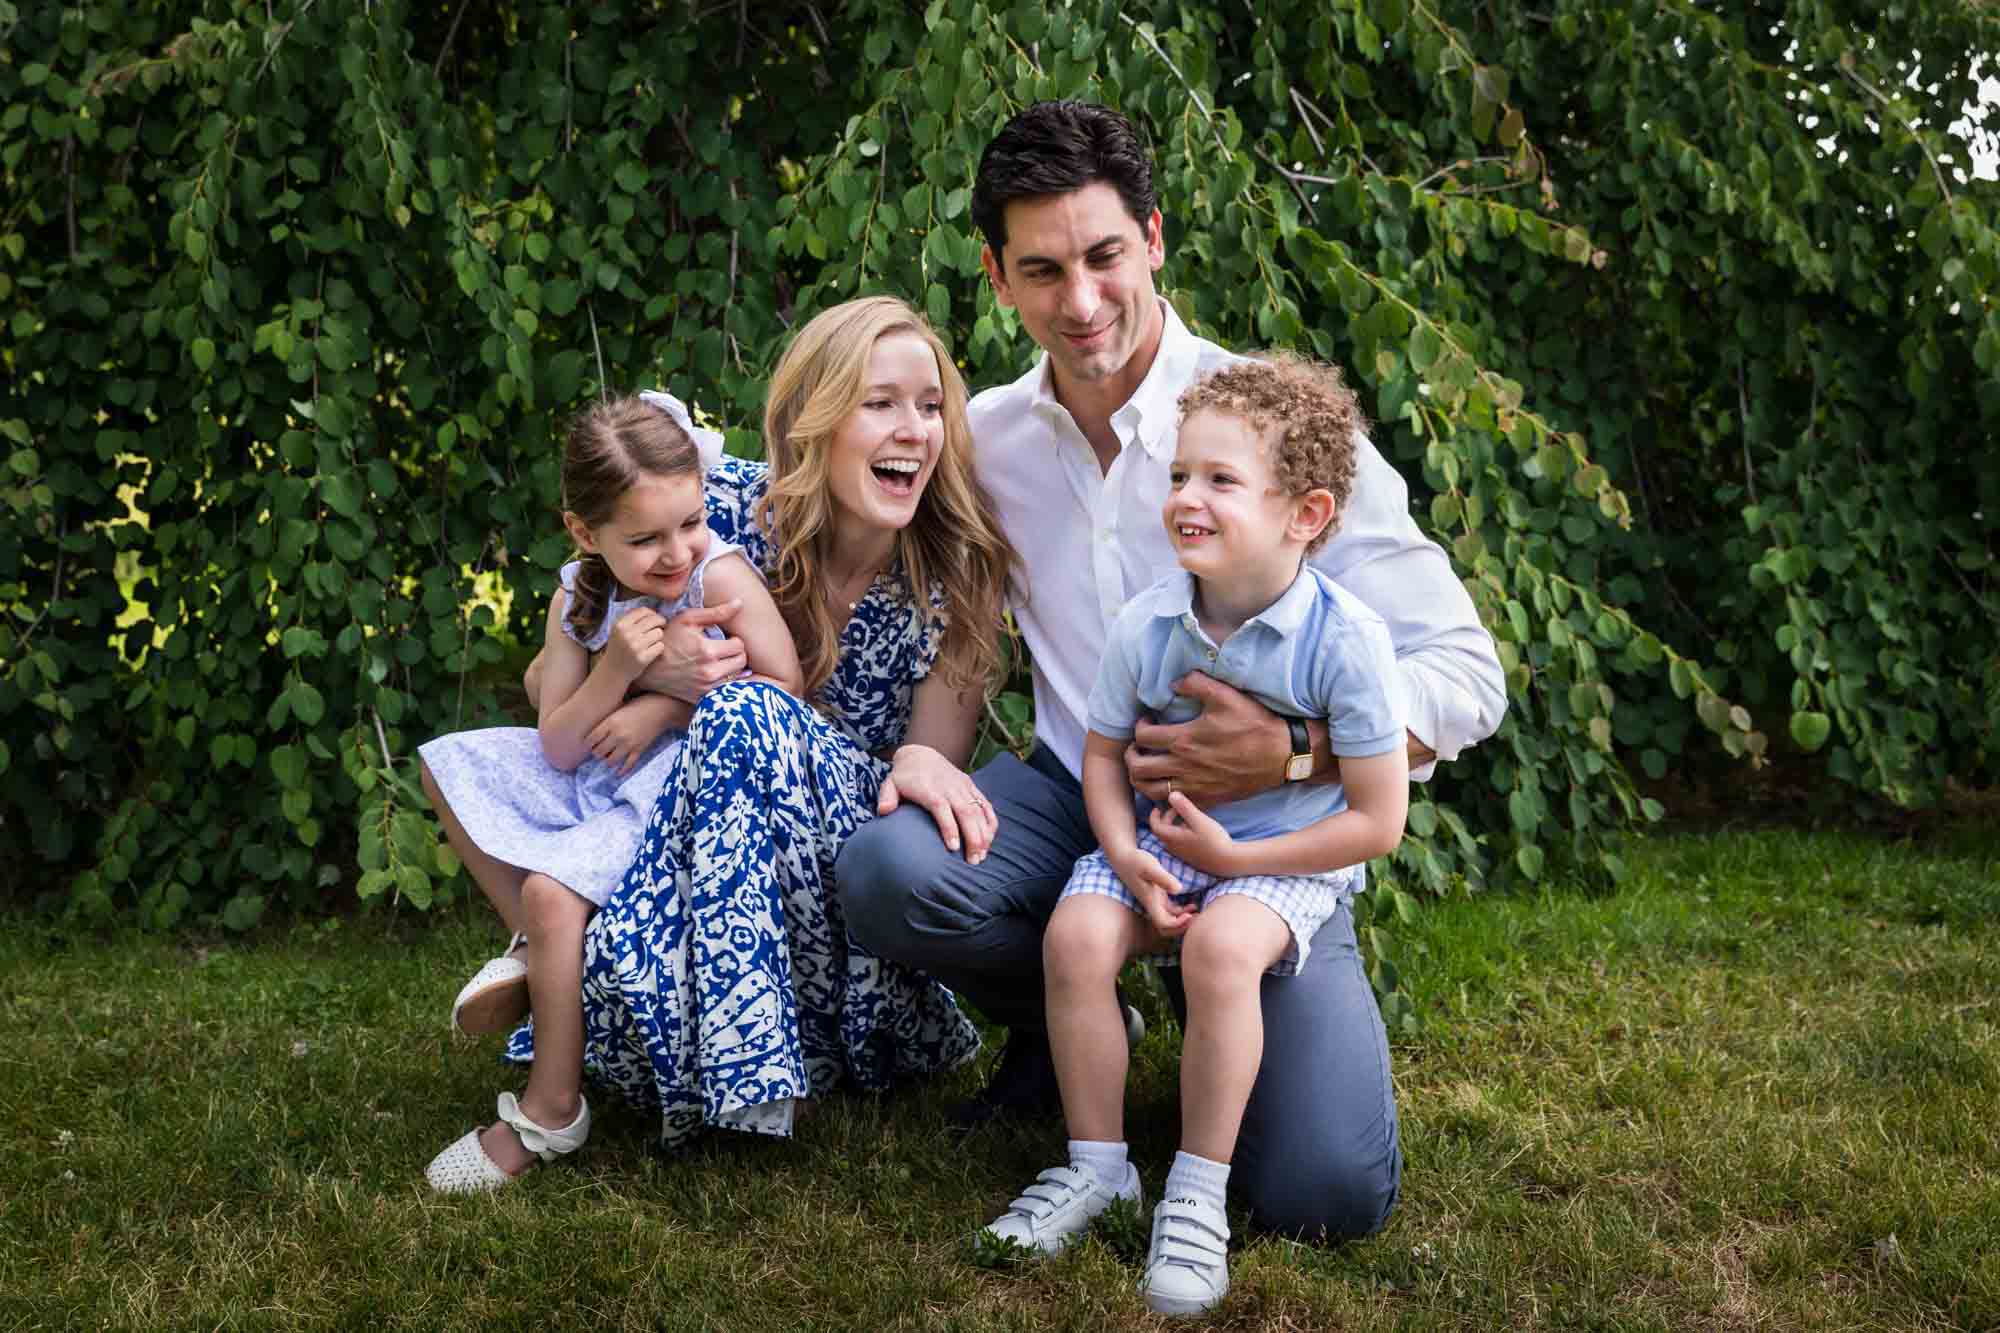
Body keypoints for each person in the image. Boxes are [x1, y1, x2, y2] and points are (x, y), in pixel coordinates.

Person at [836, 101, 1506, 1239]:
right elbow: (968, 631)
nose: (1081, 301)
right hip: (1073, 785)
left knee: (1321, 1197)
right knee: (889, 870)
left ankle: (1217, 1004)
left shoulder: (1267, 428)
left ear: (1152, 238)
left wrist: (1296, 747)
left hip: (1268, 820)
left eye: (1104, 256)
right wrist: (922, 756)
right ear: (997, 278)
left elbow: (1464, 668)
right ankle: (1073, 1017)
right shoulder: (989, 439)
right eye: (1042, 270)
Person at [452, 295, 1017, 1180]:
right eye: (880, 403)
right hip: (691, 834)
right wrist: (654, 680)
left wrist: (698, 701)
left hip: (842, 851)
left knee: (746, 711)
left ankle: (744, 1062)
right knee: (695, 729)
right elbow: (545, 680)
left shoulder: (955, 574)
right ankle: (567, 968)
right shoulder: (719, 510)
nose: (913, 429)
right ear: (817, 419)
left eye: (931, 404)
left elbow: (923, 771)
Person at [982, 356, 1410, 1314]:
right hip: (1164, 839)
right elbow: (1100, 758)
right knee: (1077, 932)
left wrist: (1238, 862)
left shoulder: (1344, 640)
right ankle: (1098, 1168)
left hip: (1282, 859)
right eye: (1180, 475)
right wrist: (1124, 850)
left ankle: (1196, 1193)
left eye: (1220, 480)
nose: (1187, 498)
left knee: (1221, 948)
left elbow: (1378, 822)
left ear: (1305, 514)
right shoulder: (1152, 623)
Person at [422, 392, 802, 1192]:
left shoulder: (715, 573)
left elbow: (784, 684)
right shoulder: (576, 596)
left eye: (689, 522)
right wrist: (618, 671)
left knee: (555, 896)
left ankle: (551, 1109)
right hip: (592, 772)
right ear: (584, 533)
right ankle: (528, 949)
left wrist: (662, 706)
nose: (675, 551)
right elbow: (558, 741)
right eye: (645, 538)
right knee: (447, 763)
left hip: (674, 786)